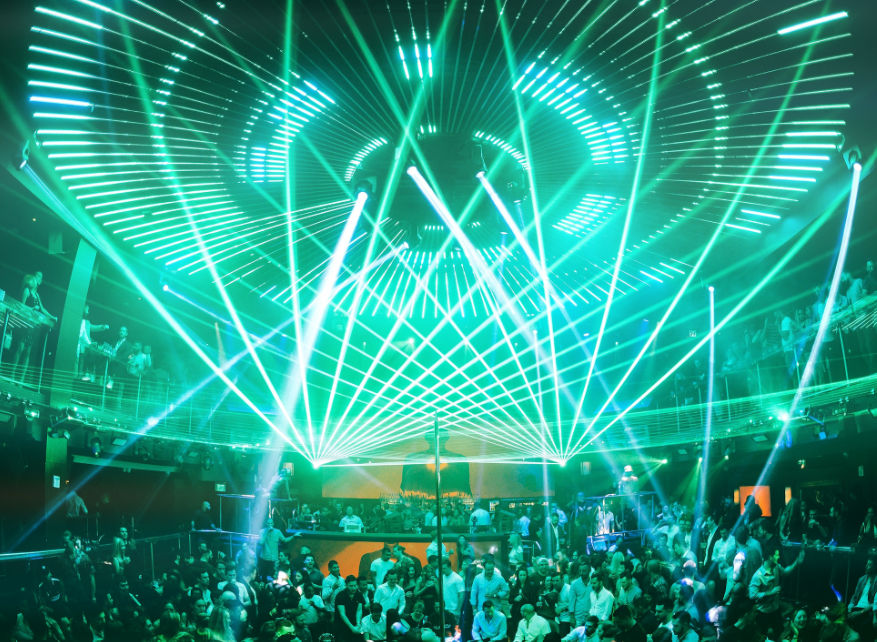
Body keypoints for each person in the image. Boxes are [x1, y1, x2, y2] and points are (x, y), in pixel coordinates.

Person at [335, 575, 366, 642]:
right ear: (346, 585)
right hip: (342, 625)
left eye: (355, 585)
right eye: (351, 586)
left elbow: (359, 610)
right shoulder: (340, 596)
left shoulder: (359, 594)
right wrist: (352, 628)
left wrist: (358, 624)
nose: (354, 588)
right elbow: (342, 614)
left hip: (355, 623)